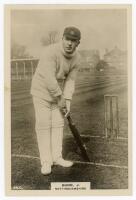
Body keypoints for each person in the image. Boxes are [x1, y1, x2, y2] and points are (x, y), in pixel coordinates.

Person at [31, 26, 81, 175]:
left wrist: (67, 101)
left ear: (78, 43)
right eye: (67, 39)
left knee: (58, 124)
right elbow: (49, 78)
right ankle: (46, 162)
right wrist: (60, 98)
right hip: (41, 92)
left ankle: (57, 157)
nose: (69, 43)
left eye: (73, 41)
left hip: (57, 94)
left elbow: (70, 81)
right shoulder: (50, 52)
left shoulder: (77, 58)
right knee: (44, 125)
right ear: (62, 39)